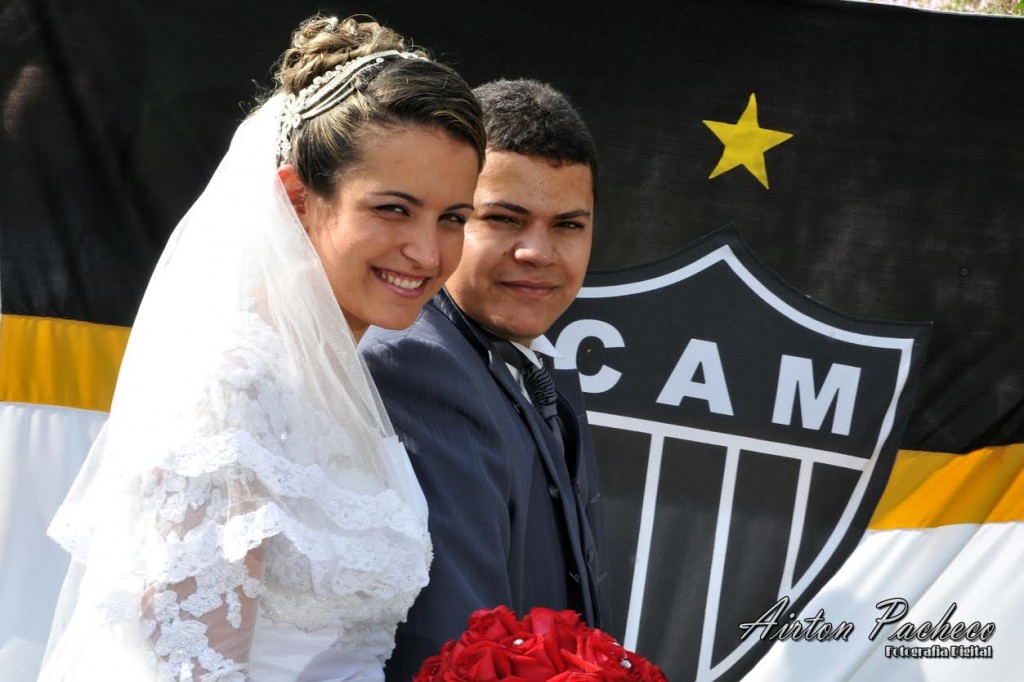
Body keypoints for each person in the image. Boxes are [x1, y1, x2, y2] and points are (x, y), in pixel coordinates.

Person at [37, 13, 484, 681]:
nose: (427, 252)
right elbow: (187, 669)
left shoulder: (337, 375)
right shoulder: (235, 388)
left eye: (453, 218)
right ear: (298, 196)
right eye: (393, 209)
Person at [360, 77, 610, 681]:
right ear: (450, 219)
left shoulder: (530, 370)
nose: (538, 252)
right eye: (503, 218)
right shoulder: (419, 362)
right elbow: (452, 645)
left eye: (569, 225)